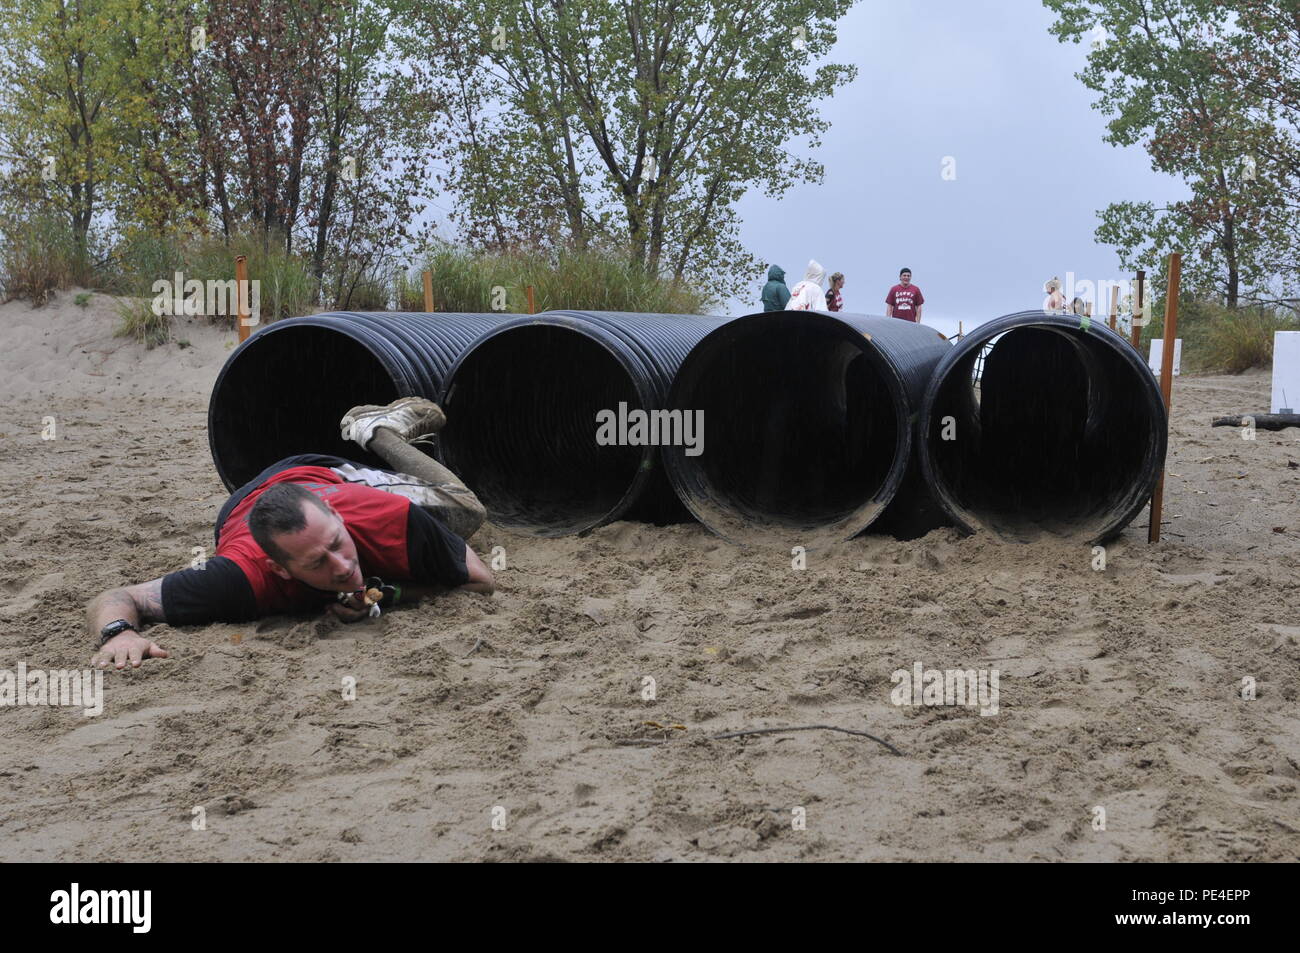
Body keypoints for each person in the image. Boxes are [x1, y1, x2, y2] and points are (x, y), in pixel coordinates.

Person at [87, 398, 495, 670]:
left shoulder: (386, 518)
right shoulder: (240, 578)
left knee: (465, 510)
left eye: (337, 544)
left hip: (318, 475)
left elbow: (480, 580)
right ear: (278, 569)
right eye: (318, 562)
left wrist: (385, 593)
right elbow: (121, 597)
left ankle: (375, 430)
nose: (342, 566)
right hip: (244, 506)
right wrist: (118, 634)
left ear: (336, 518)